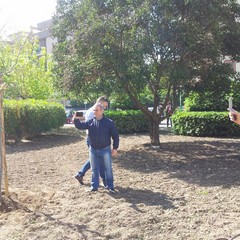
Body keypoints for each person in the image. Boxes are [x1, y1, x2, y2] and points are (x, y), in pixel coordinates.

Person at [74, 102, 119, 193]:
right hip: (93, 150)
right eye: (94, 110)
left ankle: (110, 187)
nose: (94, 112)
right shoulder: (90, 122)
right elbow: (80, 126)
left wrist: (115, 148)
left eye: (96, 110)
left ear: (102, 111)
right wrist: (75, 119)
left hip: (105, 149)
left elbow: (115, 136)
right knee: (94, 170)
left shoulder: (109, 123)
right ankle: (94, 187)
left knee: (108, 170)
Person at [74, 96, 109, 186]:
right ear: (100, 102)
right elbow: (91, 126)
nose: (104, 108)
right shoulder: (93, 112)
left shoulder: (91, 110)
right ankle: (104, 181)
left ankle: (80, 174)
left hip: (93, 138)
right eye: (104, 106)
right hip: (93, 139)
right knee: (98, 158)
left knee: (95, 158)